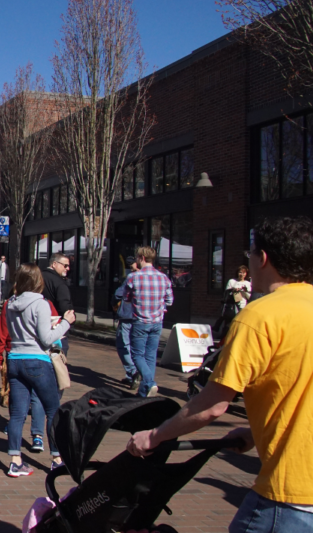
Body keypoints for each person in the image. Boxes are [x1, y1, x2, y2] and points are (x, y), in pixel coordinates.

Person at [126, 216, 313, 532]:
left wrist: (154, 436)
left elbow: (212, 405)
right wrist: (254, 433)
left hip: (289, 493)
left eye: (250, 256)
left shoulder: (260, 316)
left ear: (263, 258)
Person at [3, 263, 75, 477]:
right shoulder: (40, 304)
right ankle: (57, 458)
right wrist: (65, 323)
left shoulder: (10, 304)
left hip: (15, 359)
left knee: (17, 413)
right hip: (36, 360)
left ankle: (15, 461)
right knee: (53, 409)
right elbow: (45, 339)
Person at [122, 246, 173, 397]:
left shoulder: (134, 277)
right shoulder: (163, 277)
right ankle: (145, 390)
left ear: (142, 258)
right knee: (150, 355)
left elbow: (126, 297)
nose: (136, 261)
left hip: (140, 321)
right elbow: (169, 300)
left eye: (137, 258)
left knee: (137, 354)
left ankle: (149, 382)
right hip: (157, 322)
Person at [113, 258, 140, 389]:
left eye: (133, 262)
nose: (131, 264)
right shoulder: (157, 276)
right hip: (145, 318)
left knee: (123, 345)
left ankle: (133, 372)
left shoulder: (132, 277)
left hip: (128, 315)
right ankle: (135, 376)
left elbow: (119, 294)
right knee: (139, 347)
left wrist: (116, 304)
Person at [41, 253, 75, 356]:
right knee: (57, 363)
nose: (67, 268)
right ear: (54, 264)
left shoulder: (38, 277)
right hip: (56, 328)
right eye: (65, 265)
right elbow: (64, 306)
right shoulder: (59, 283)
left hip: (37, 324)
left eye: (68, 266)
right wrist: (70, 321)